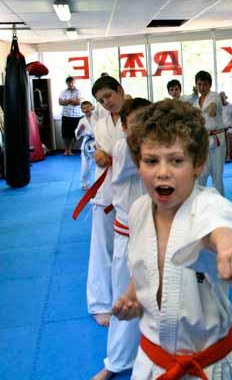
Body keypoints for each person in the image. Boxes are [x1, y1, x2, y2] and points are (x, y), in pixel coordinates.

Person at [112, 99, 232, 379]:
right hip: (151, 363)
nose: (162, 172)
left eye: (176, 160)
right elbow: (144, 267)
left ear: (198, 165)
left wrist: (229, 247)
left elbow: (221, 225)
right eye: (151, 160)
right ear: (138, 164)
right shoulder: (139, 210)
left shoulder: (208, 205)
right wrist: (132, 297)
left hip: (209, 365)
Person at [92, 98, 151, 380]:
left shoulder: (161, 146)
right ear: (125, 127)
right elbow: (141, 155)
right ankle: (117, 361)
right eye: (136, 122)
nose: (142, 127)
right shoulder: (123, 147)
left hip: (160, 232)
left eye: (147, 120)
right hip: (129, 234)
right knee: (124, 298)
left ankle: (167, 357)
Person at [87, 76, 127, 326]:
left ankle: (136, 298)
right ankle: (100, 303)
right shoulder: (100, 125)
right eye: (101, 100)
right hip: (106, 192)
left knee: (136, 249)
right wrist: (98, 154)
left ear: (120, 90)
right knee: (102, 249)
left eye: (108, 96)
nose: (106, 102)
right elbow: (96, 149)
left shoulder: (138, 118)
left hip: (134, 192)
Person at [188, 71, 226, 195]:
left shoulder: (214, 96)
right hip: (203, 141)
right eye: (199, 84)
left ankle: (219, 202)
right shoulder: (196, 103)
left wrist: (212, 109)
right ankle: (199, 199)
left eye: (205, 85)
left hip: (216, 140)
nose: (202, 87)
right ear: (196, 85)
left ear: (210, 85)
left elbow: (213, 107)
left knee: (217, 174)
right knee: (201, 173)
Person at [74, 101, 96, 189]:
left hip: (98, 141)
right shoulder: (82, 120)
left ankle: (102, 183)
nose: (86, 109)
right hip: (87, 144)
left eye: (88, 107)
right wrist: (80, 129)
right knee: (85, 165)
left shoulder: (97, 116)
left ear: (92, 107)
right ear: (82, 110)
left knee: (101, 164)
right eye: (84, 108)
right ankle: (84, 183)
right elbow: (77, 134)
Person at [59, 76, 82, 156]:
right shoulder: (63, 91)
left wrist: (67, 101)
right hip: (66, 115)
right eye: (69, 83)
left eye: (72, 82)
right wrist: (71, 101)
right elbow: (60, 102)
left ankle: (70, 150)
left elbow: (78, 102)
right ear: (67, 83)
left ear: (74, 82)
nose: (71, 84)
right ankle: (66, 150)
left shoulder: (78, 91)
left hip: (76, 116)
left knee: (74, 134)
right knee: (65, 134)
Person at [220, 91, 232, 163]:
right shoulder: (218, 108)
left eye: (222, 98)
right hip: (222, 128)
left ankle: (228, 156)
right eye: (220, 98)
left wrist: (230, 126)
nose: (221, 99)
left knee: (228, 133)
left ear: (226, 97)